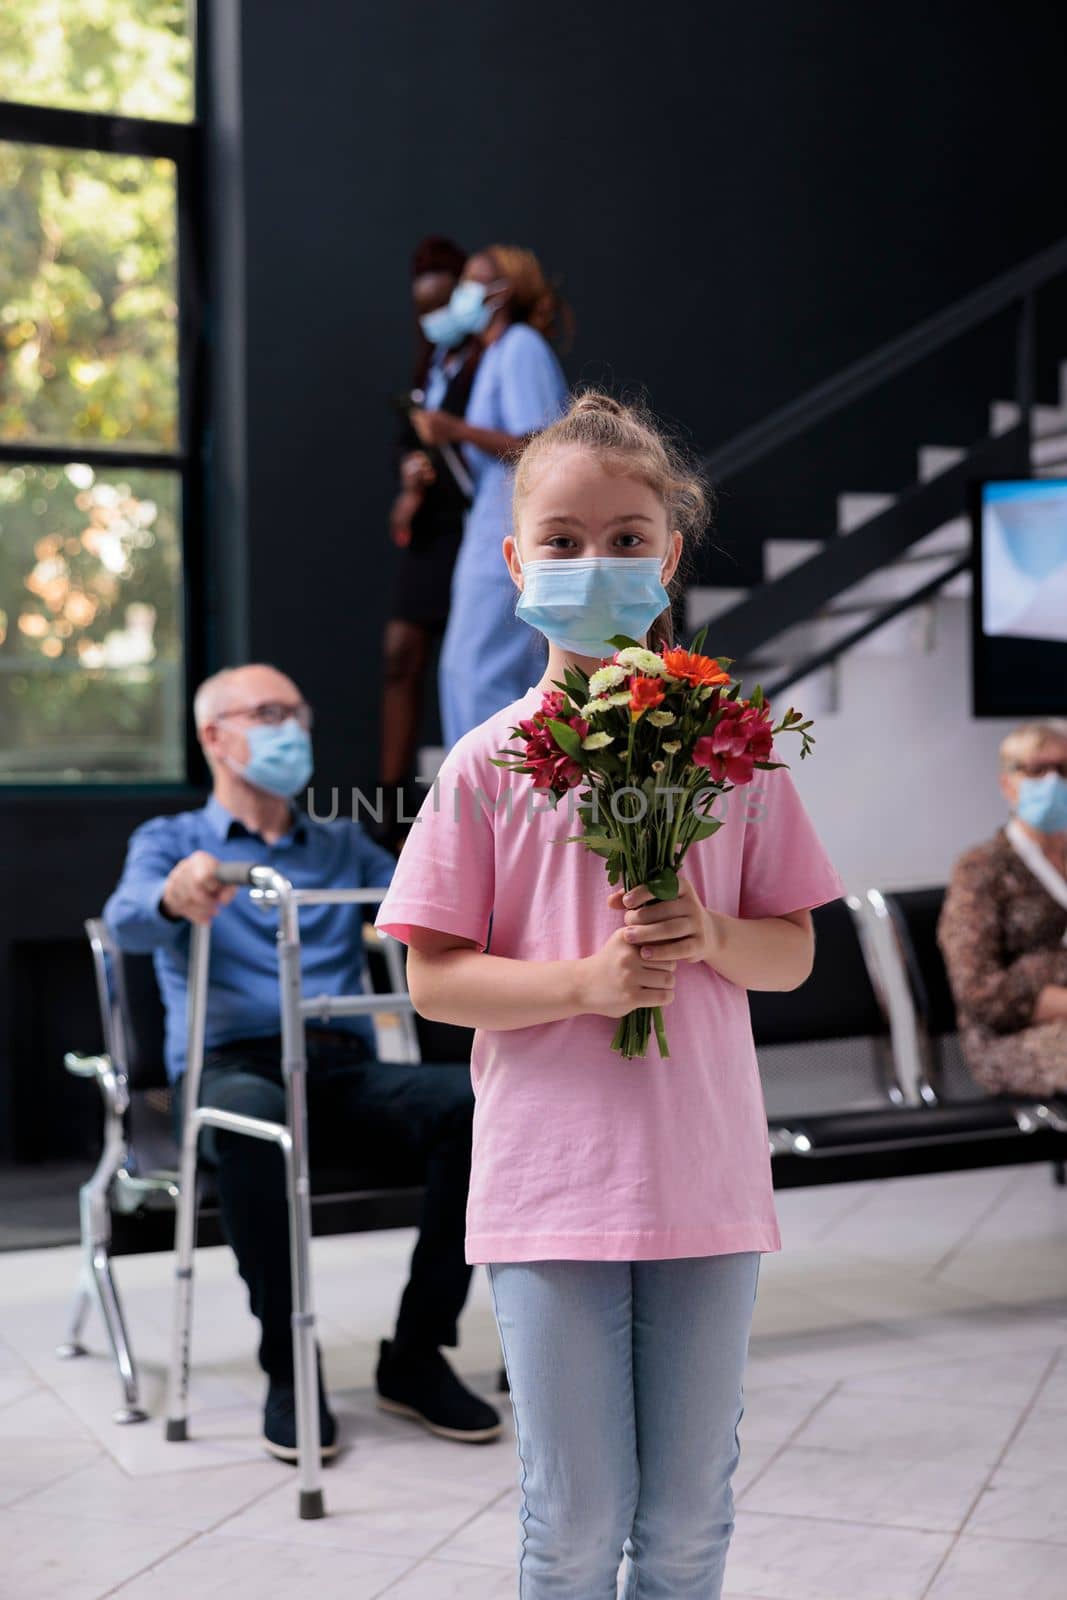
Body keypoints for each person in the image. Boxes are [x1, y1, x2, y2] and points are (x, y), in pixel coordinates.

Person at [374, 393, 845, 1596]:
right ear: (514, 555)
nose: (597, 561)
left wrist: (711, 931)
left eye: (628, 536)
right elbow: (433, 978)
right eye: (566, 538)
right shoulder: (483, 764)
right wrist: (586, 982)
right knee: (574, 1527)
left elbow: (789, 950)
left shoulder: (731, 745)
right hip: (547, 1183)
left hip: (705, 1176)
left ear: (671, 553)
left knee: (688, 1523)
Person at [104, 663, 501, 1461]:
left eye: (299, 713)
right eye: (269, 713)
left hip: (338, 1065)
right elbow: (127, 922)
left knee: (477, 1101)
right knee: (253, 1119)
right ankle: (289, 1367)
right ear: (215, 735)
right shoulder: (173, 842)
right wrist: (175, 895)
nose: (292, 730)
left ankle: (416, 1355)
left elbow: (423, 916)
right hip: (228, 1068)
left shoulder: (342, 844)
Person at [411, 244, 569, 747]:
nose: (460, 296)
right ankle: (486, 796)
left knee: (481, 669)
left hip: (514, 520)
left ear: (500, 294)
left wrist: (456, 428)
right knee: (470, 668)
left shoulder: (521, 347)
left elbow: (542, 442)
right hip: (490, 519)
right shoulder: (495, 354)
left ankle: (500, 794)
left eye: (469, 284)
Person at [380, 237, 480, 839]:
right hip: (429, 529)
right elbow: (401, 493)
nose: (435, 317)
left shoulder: (489, 364)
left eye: (443, 301)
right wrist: (411, 483)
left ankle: (470, 785)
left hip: (474, 527)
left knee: (465, 665)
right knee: (401, 654)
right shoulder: (428, 376)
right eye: (424, 308)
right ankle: (389, 804)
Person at [938, 719, 1067, 1095]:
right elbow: (980, 992)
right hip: (1016, 1039)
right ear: (1008, 784)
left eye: (1063, 769)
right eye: (1037, 770)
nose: (1053, 782)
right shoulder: (982, 870)